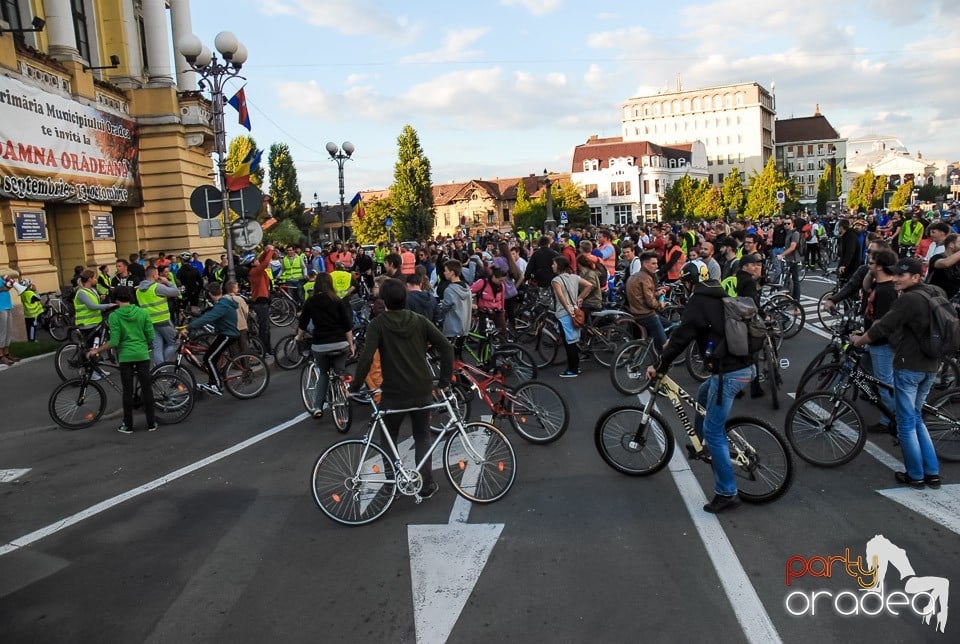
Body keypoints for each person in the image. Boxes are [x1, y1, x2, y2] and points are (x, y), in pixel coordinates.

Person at [645, 262, 756, 513]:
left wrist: (659, 366)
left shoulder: (697, 301)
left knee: (715, 431)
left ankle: (727, 492)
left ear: (689, 281)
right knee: (704, 393)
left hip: (728, 373)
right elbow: (696, 330)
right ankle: (702, 444)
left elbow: (682, 338)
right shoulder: (719, 292)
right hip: (744, 366)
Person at [351, 278, 454, 500]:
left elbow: (366, 358)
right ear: (405, 297)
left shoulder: (378, 324)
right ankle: (426, 483)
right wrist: (444, 380)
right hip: (422, 387)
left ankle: (391, 485)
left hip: (393, 392)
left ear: (383, 300)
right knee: (422, 435)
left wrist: (355, 386)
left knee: (389, 437)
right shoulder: (419, 321)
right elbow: (446, 347)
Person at [851, 257, 942, 489]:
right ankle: (932, 472)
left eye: (901, 275)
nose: (896, 279)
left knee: (906, 423)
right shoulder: (934, 292)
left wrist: (859, 340)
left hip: (910, 365)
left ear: (915, 277)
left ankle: (915, 475)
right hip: (931, 364)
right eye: (895, 274)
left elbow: (883, 326)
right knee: (916, 417)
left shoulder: (910, 299)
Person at [87, 286, 156, 434]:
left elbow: (114, 342)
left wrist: (96, 350)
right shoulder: (143, 312)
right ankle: (151, 423)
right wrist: (143, 343)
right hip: (142, 354)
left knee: (127, 391)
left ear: (116, 299)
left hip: (125, 356)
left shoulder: (115, 316)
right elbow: (151, 335)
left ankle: (128, 425)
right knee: (147, 389)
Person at [296, 272, 354, 419]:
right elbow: (347, 325)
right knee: (340, 367)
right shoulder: (337, 300)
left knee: (323, 373)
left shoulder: (311, 302)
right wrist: (351, 345)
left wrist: (299, 337)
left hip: (320, 345)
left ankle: (317, 407)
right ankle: (346, 387)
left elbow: (303, 323)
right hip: (341, 343)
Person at [184, 282, 239, 396]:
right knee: (211, 358)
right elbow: (210, 315)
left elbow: (209, 317)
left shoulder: (221, 305)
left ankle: (217, 386)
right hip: (224, 333)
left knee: (208, 358)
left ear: (209, 294)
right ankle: (212, 382)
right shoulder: (222, 303)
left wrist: (188, 328)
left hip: (227, 335)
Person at [551, 255, 594, 378]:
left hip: (564, 313)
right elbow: (590, 285)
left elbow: (560, 296)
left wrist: (567, 308)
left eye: (554, 264)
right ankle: (576, 367)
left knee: (568, 342)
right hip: (575, 311)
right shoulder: (574, 277)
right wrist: (580, 298)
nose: (552, 266)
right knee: (573, 341)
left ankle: (572, 369)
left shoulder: (556, 280)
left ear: (559, 265)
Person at [135, 266, 180, 365]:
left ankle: (159, 368)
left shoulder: (138, 290)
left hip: (149, 321)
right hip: (163, 320)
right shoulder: (157, 287)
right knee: (175, 342)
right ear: (155, 275)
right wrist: (167, 282)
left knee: (157, 346)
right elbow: (176, 292)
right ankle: (163, 364)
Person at [626, 251, 667, 350]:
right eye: (653, 263)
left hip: (635, 313)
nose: (656, 266)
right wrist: (660, 304)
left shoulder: (634, 276)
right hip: (647, 315)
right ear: (645, 264)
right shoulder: (646, 278)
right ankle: (662, 361)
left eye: (656, 263)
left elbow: (641, 295)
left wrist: (657, 294)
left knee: (668, 325)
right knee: (664, 344)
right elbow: (650, 302)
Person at [437, 259, 472, 360]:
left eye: (446, 270)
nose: (444, 273)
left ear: (452, 272)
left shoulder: (450, 290)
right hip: (465, 327)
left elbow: (444, 307)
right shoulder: (466, 287)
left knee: (449, 358)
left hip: (452, 328)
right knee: (459, 358)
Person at [248, 245, 274, 355]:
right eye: (255, 260)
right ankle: (263, 349)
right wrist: (271, 250)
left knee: (266, 328)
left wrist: (265, 251)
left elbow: (262, 259)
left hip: (263, 301)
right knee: (264, 329)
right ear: (252, 264)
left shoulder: (255, 270)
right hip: (260, 302)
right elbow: (265, 262)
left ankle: (267, 348)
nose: (257, 261)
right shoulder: (255, 271)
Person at [471, 266, 508, 340]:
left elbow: (502, 299)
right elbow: (468, 291)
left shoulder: (502, 286)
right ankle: (482, 350)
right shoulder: (483, 283)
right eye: (500, 280)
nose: (502, 282)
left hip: (497, 311)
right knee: (484, 335)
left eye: (503, 280)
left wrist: (503, 310)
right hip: (484, 312)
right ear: (494, 277)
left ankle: (503, 348)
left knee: (502, 332)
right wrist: (472, 304)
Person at [776, 218, 802, 300]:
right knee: (787, 279)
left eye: (788, 223)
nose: (786, 225)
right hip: (788, 259)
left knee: (795, 280)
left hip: (794, 259)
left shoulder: (795, 233)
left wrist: (782, 255)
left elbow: (792, 247)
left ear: (792, 224)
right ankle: (789, 297)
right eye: (785, 224)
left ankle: (796, 299)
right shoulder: (787, 233)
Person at [223, 280, 251, 353]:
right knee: (244, 346)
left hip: (230, 327)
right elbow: (246, 311)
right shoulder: (240, 299)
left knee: (234, 348)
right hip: (241, 326)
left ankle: (236, 362)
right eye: (237, 288)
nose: (238, 289)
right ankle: (245, 363)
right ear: (234, 289)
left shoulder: (223, 299)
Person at [18, 278, 42, 343]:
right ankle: (32, 340)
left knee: (28, 327)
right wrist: (35, 290)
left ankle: (30, 339)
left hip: (27, 313)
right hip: (33, 313)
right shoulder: (30, 293)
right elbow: (38, 298)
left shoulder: (22, 293)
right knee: (32, 326)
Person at [0, 273, 17, 364]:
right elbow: (3, 288)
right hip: (0, 307)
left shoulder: (2, 277)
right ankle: (1, 356)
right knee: (2, 332)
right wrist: (5, 287)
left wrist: (10, 284)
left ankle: (6, 354)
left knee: (8, 331)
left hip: (7, 306)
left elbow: (7, 287)